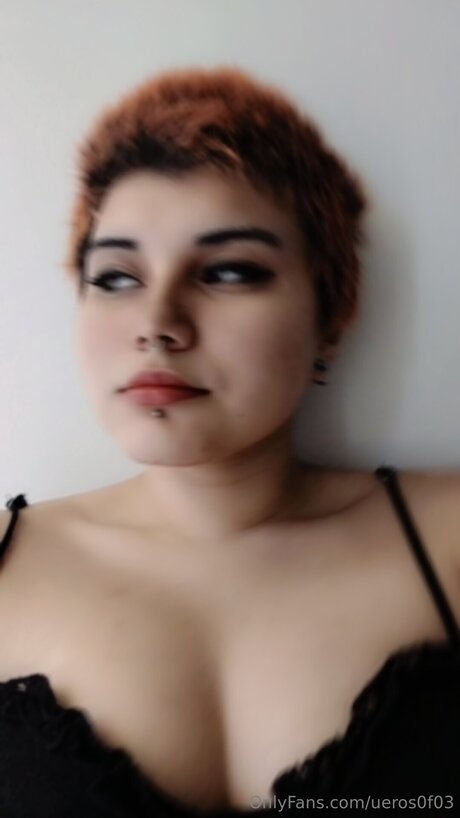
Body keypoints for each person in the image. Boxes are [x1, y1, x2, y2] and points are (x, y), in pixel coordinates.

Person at [0, 65, 459, 817]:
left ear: (331, 315)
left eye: (229, 271)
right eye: (115, 277)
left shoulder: (447, 544)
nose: (158, 323)